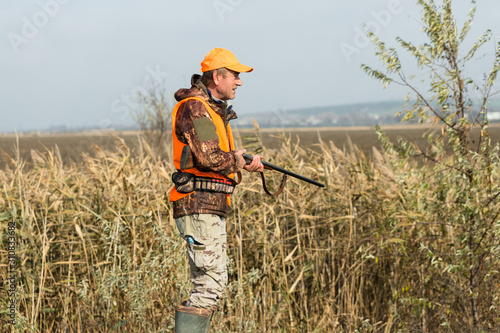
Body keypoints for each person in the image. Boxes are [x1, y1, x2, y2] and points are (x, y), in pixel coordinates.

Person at [170, 47, 264, 332]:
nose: (239, 81)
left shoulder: (209, 109)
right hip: (199, 206)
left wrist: (239, 159)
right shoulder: (196, 108)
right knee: (210, 284)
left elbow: (211, 153)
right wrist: (237, 160)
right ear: (216, 77)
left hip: (207, 206)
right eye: (235, 75)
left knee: (211, 282)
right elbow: (210, 157)